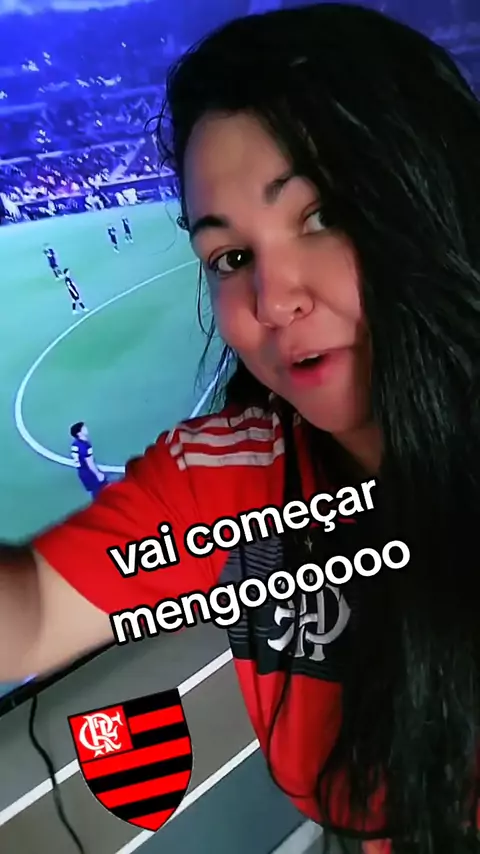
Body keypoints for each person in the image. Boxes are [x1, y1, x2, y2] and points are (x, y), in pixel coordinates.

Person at [0, 5, 479, 853]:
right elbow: (29, 618)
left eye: (323, 215)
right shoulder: (229, 475)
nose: (272, 300)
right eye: (230, 257)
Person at [70, 422, 108, 500]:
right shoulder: (85, 446)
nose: (86, 428)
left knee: (95, 491)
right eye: (83, 428)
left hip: (82, 472)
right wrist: (97, 473)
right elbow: (89, 463)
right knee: (101, 491)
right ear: (79, 433)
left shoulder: (75, 444)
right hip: (89, 472)